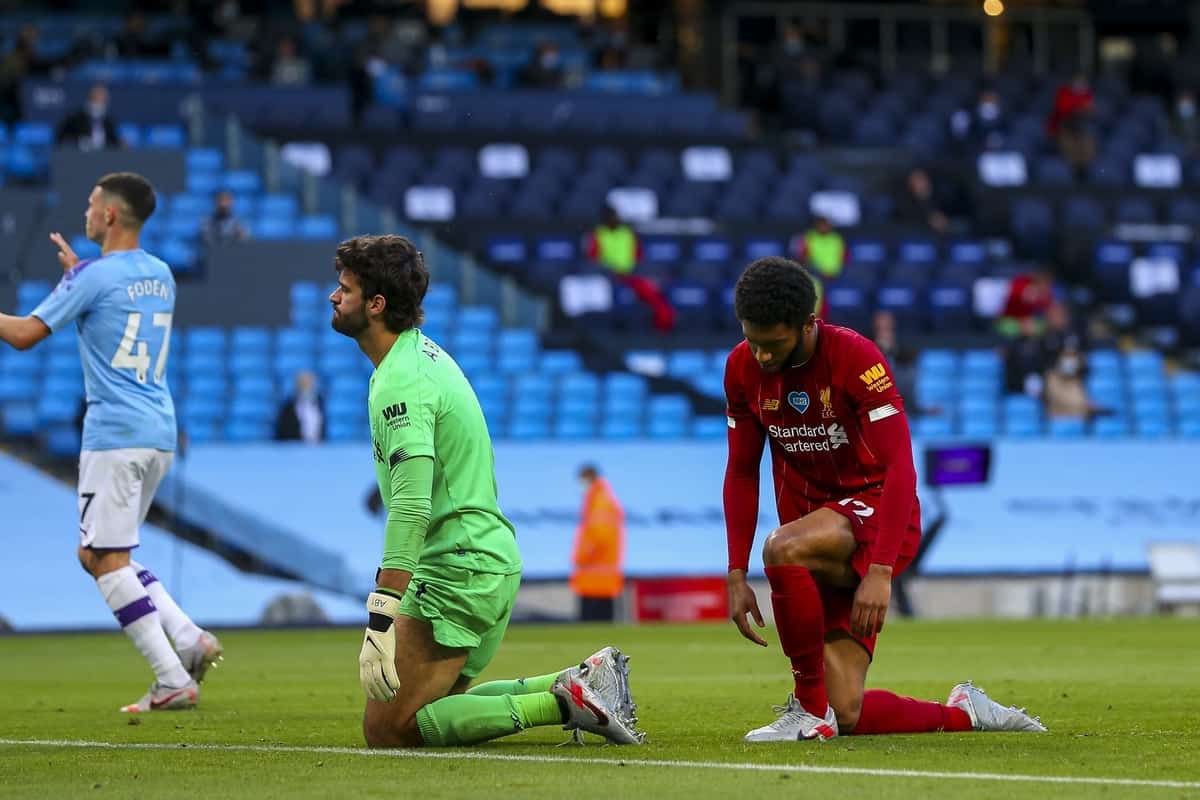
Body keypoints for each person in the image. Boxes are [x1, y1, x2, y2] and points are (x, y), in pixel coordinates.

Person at [328, 234, 643, 748]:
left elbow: (410, 505)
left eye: (344, 288)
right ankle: (574, 683)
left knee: (389, 731)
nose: (333, 297)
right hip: (485, 560)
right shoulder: (420, 359)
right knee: (437, 712)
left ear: (377, 304)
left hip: (456, 570)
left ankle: (562, 702)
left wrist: (381, 614)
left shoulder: (401, 381)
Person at [722, 257, 1045, 741]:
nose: (762, 356)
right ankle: (967, 713)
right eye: (753, 340)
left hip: (876, 519)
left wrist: (880, 570)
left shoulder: (856, 358)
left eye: (774, 344)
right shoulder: (742, 368)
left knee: (781, 547)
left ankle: (807, 715)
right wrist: (734, 572)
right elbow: (742, 471)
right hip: (816, 541)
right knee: (847, 710)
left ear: (808, 324)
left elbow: (900, 467)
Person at [0, 172, 223, 712]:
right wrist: (80, 272)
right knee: (100, 553)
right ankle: (189, 638)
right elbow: (117, 305)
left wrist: (78, 277)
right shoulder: (160, 274)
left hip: (114, 435)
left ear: (111, 217)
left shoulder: (93, 278)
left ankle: (173, 677)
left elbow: (26, 335)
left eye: (92, 203)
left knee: (105, 557)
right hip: (157, 433)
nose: (86, 211)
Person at [586, 205, 674, 333]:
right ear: (604, 219)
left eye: (616, 216)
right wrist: (608, 271)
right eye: (611, 216)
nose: (615, 219)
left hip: (630, 276)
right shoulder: (597, 235)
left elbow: (639, 257)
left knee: (655, 295)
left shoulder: (627, 233)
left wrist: (644, 274)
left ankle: (664, 329)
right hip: (608, 277)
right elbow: (593, 260)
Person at [571, 464, 625, 623]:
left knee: (595, 625)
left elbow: (599, 537)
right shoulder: (597, 500)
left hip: (595, 573)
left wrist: (581, 556)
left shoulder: (600, 502)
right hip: (598, 574)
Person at [55, 84, 123, 151]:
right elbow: (62, 139)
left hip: (103, 158)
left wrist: (121, 144)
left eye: (103, 101)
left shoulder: (108, 122)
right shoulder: (74, 119)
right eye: (95, 99)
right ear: (89, 99)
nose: (99, 104)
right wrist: (79, 142)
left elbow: (114, 143)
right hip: (79, 157)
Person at [274, 370, 325, 443]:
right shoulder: (288, 406)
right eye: (303, 384)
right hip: (294, 447)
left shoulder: (320, 403)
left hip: (317, 447)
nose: (306, 387)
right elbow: (282, 430)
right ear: (297, 385)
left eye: (308, 384)